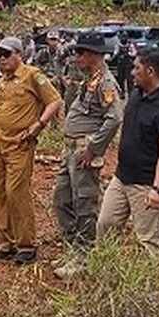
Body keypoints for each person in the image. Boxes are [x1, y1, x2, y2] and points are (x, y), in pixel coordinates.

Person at [0, 36, 63, 264]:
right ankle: (6, 241)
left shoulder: (32, 75)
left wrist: (37, 126)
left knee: (16, 192)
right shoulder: (1, 82)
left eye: (6, 54)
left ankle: (26, 244)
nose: (2, 59)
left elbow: (54, 101)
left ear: (19, 54)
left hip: (20, 145)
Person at [52, 32, 123, 278]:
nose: (76, 57)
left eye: (81, 53)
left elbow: (115, 117)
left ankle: (84, 257)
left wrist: (94, 148)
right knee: (62, 200)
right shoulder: (88, 80)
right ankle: (73, 250)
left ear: (94, 55)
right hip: (71, 148)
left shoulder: (105, 82)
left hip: (85, 148)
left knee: (85, 204)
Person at [95, 49, 159, 250]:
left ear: (150, 71)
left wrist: (158, 190)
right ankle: (106, 276)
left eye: (137, 68)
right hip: (122, 178)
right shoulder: (136, 94)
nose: (132, 72)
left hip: (146, 184)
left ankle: (152, 281)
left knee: (148, 241)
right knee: (105, 226)